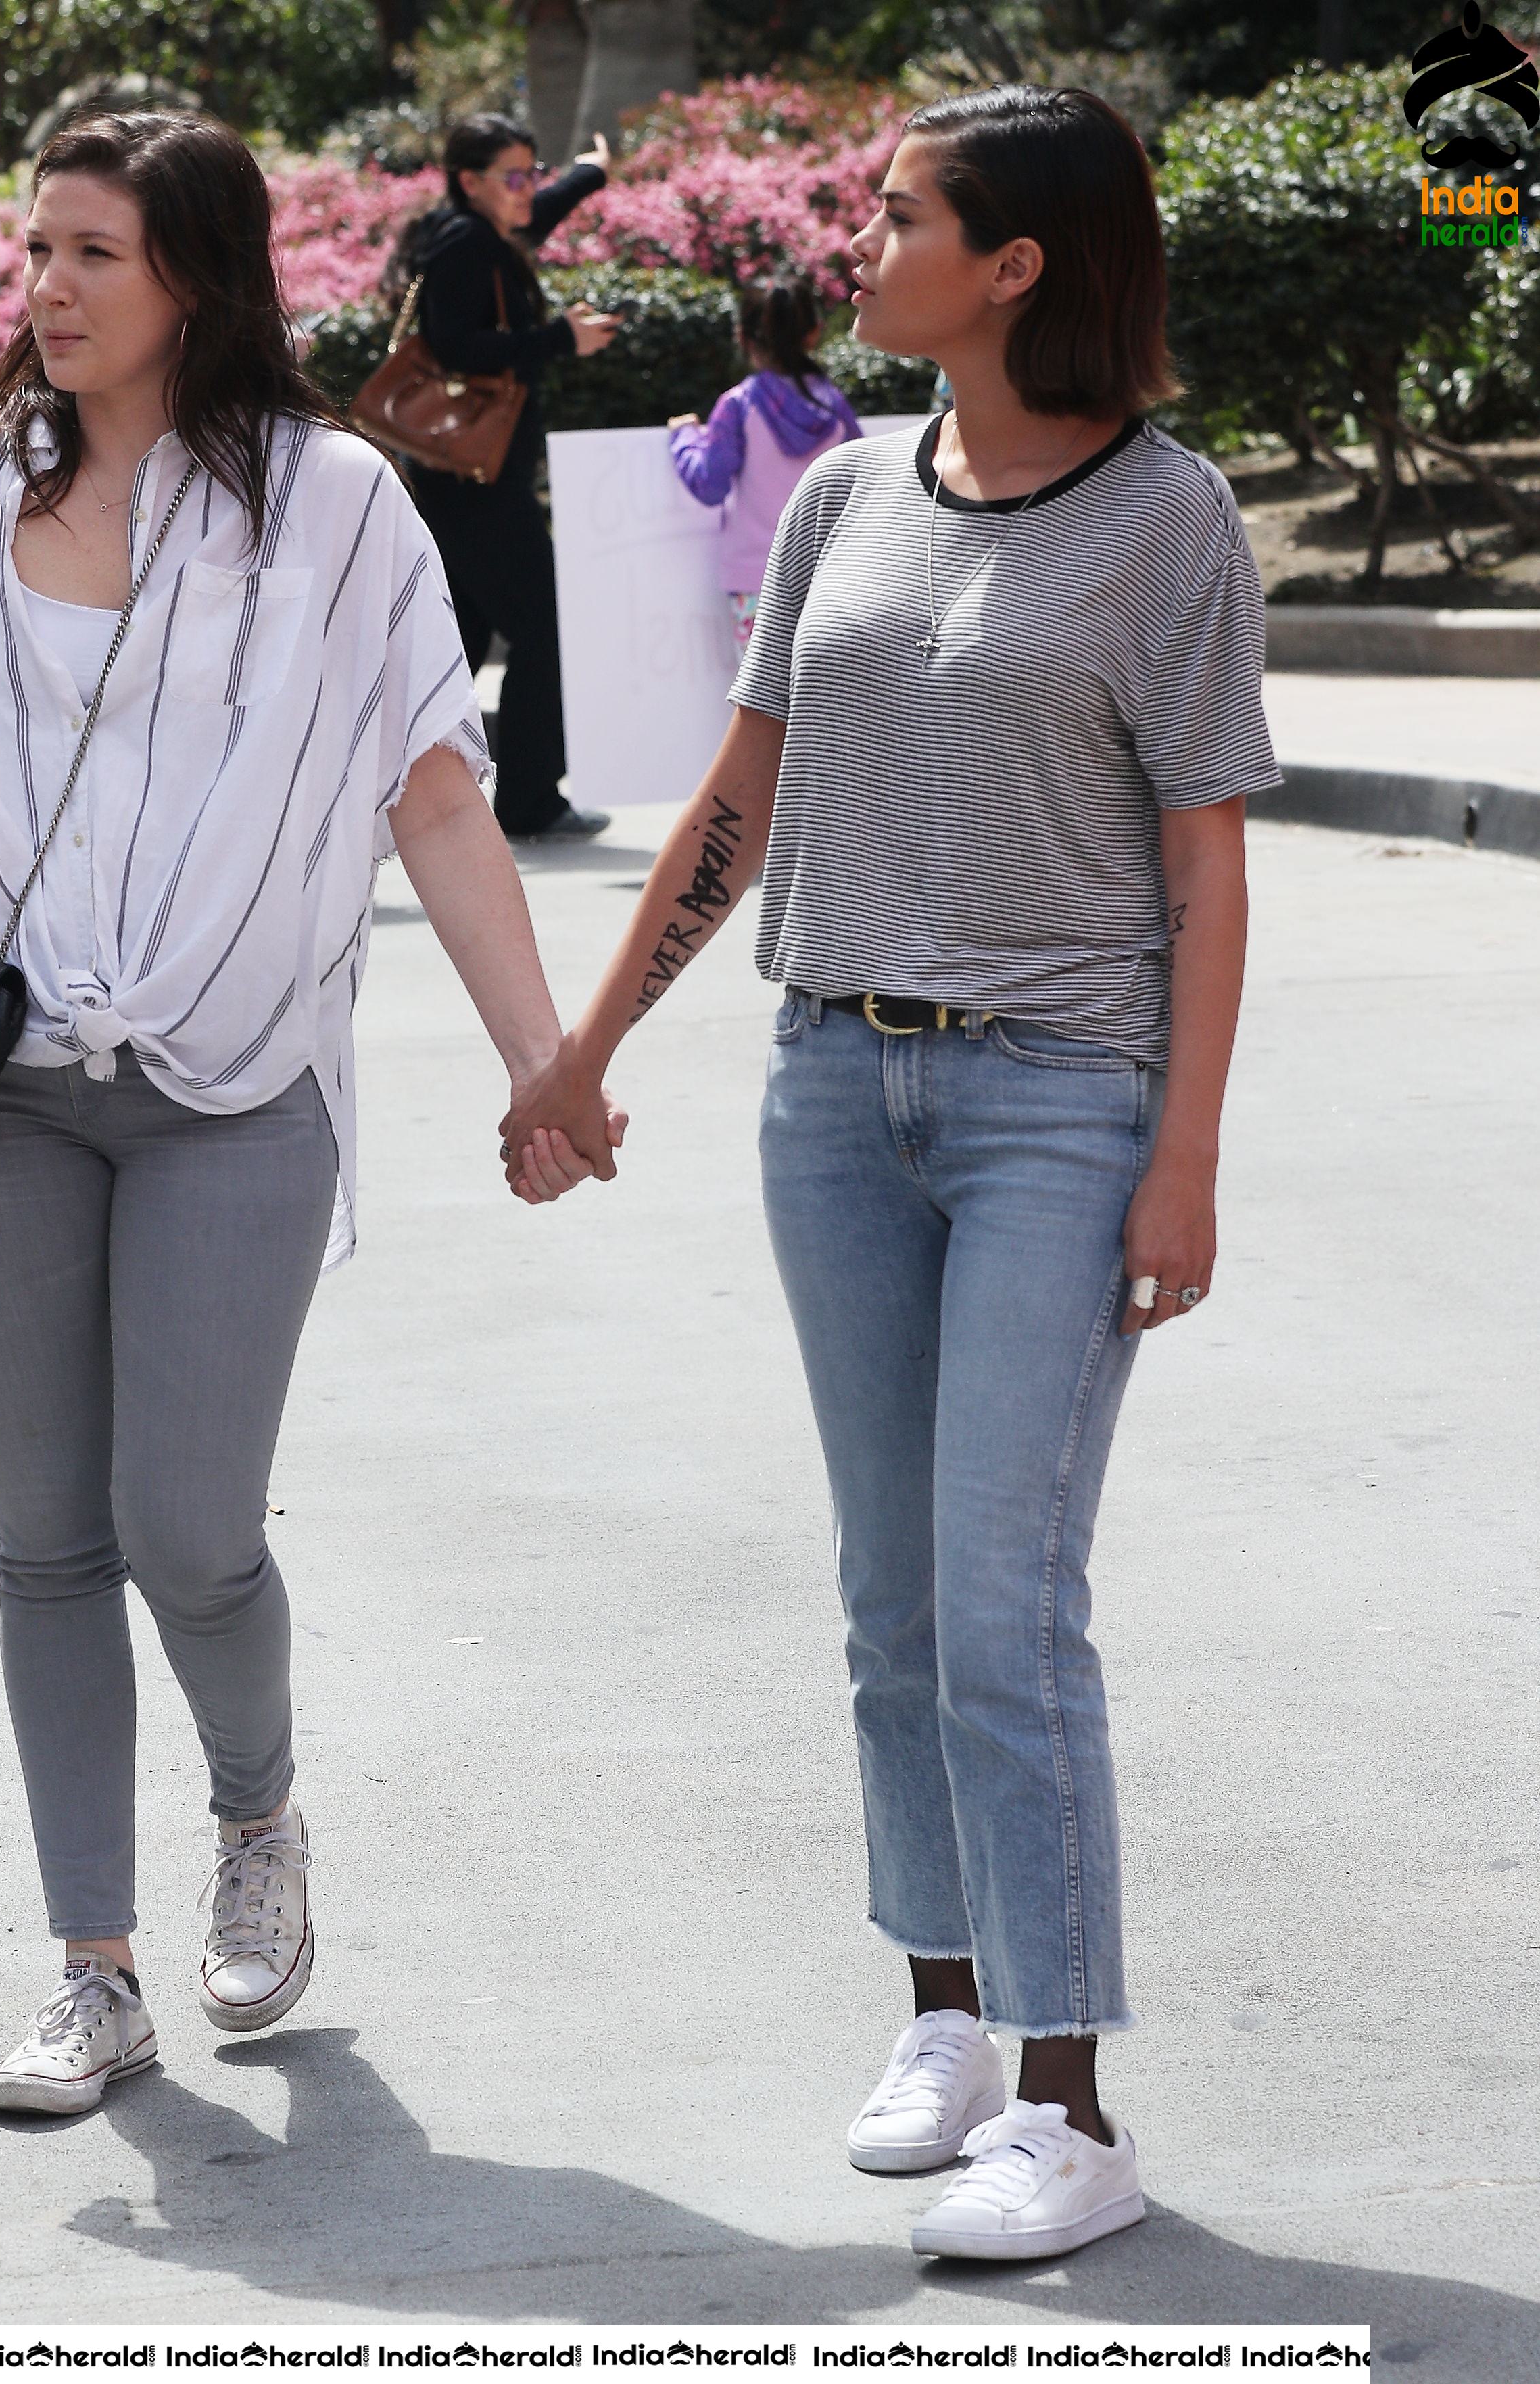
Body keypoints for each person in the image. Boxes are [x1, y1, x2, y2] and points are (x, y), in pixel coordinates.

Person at [502, 86, 1277, 2261]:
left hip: (1058, 1104)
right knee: (890, 1603)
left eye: (901, 210)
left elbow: (1209, 877)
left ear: (1018, 261)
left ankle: (1073, 2096)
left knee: (1008, 1605)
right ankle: (942, 2012)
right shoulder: (846, 486)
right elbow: (743, 799)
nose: (862, 234)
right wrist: (586, 1042)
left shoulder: (1171, 519)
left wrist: (1183, 1157)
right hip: (830, 1089)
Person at [0, 109, 615, 2117]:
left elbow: (435, 788)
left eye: (95, 252)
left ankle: (256, 1816)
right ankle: (91, 1967)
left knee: (186, 1520)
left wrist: (547, 1054)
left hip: (231, 1085)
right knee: (44, 1538)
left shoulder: (335, 510)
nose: (51, 290)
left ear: (197, 273)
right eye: (38, 251)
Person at [391, 114, 622, 843]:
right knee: (546, 629)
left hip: (469, 483)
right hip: (479, 487)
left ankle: (407, 797)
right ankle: (528, 800)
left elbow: (537, 216)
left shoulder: (483, 231)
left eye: (534, 171)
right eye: (515, 177)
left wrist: (590, 172)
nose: (530, 190)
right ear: (471, 182)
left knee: (459, 639)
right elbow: (457, 344)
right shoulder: (468, 243)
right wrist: (562, 338)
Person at [667, 276, 863, 652]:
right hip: (832, 583)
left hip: (755, 583)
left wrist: (685, 437)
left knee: (763, 706)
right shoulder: (835, 407)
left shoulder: (739, 406)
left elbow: (709, 484)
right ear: (814, 333)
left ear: (743, 336)